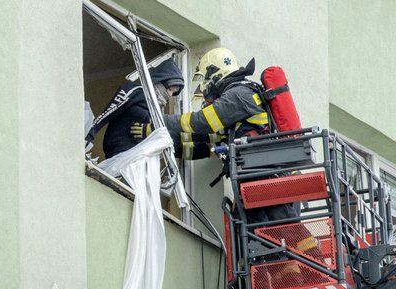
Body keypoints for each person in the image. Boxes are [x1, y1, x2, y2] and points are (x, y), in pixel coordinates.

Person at [130, 48, 299, 225]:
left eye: (204, 79)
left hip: (271, 180)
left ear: (214, 73)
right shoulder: (234, 112)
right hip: (259, 179)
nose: (204, 86)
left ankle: (309, 253)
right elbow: (204, 146)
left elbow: (201, 122)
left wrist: (158, 121)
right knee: (264, 239)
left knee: (288, 234)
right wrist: (159, 139)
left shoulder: (239, 95)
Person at [85, 58, 185, 159]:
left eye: (174, 92)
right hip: (118, 155)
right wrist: (88, 136)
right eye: (170, 89)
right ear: (161, 82)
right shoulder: (136, 91)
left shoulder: (155, 107)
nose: (170, 95)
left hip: (138, 158)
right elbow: (107, 113)